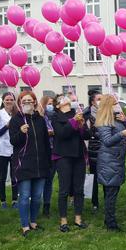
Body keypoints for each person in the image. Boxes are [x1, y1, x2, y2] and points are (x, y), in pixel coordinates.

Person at [9, 91, 51, 237]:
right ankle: (25, 225)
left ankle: (33, 221)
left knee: (37, 196)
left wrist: (48, 161)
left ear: (34, 102)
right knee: (25, 196)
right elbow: (13, 141)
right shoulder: (16, 120)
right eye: (24, 101)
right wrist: (21, 132)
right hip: (23, 164)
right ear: (20, 103)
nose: (27, 103)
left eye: (29, 100)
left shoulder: (40, 120)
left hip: (40, 164)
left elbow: (46, 142)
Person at [52, 93, 90, 232]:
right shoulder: (55, 117)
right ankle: (63, 220)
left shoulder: (77, 113)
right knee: (64, 189)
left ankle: (78, 218)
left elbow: (87, 135)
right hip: (63, 156)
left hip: (78, 155)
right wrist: (73, 121)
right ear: (58, 105)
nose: (66, 98)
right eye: (62, 98)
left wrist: (82, 125)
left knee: (78, 188)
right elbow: (62, 134)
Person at [95, 95, 126, 231]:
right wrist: (122, 134)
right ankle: (111, 224)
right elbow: (107, 141)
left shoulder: (116, 119)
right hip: (109, 162)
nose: (118, 105)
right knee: (111, 193)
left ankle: (108, 219)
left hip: (116, 160)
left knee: (111, 192)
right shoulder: (104, 122)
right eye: (115, 103)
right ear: (108, 106)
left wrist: (125, 121)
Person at [0, 92, 18, 209]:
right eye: (7, 99)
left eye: (11, 99)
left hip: (14, 148)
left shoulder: (17, 114)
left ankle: (14, 200)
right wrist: (7, 125)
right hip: (1, 149)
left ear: (14, 101)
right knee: (2, 176)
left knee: (15, 175)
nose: (9, 101)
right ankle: (3, 201)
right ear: (3, 101)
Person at [84, 90, 102, 211]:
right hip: (93, 149)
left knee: (106, 175)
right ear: (92, 102)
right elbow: (86, 134)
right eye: (98, 99)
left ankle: (108, 199)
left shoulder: (106, 113)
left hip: (106, 149)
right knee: (94, 176)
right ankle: (95, 202)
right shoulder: (87, 115)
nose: (101, 102)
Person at [39, 95, 56, 217]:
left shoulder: (55, 117)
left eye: (53, 103)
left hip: (55, 151)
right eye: (49, 103)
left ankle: (46, 206)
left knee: (49, 180)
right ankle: (35, 203)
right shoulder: (40, 118)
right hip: (43, 152)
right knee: (41, 180)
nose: (51, 106)